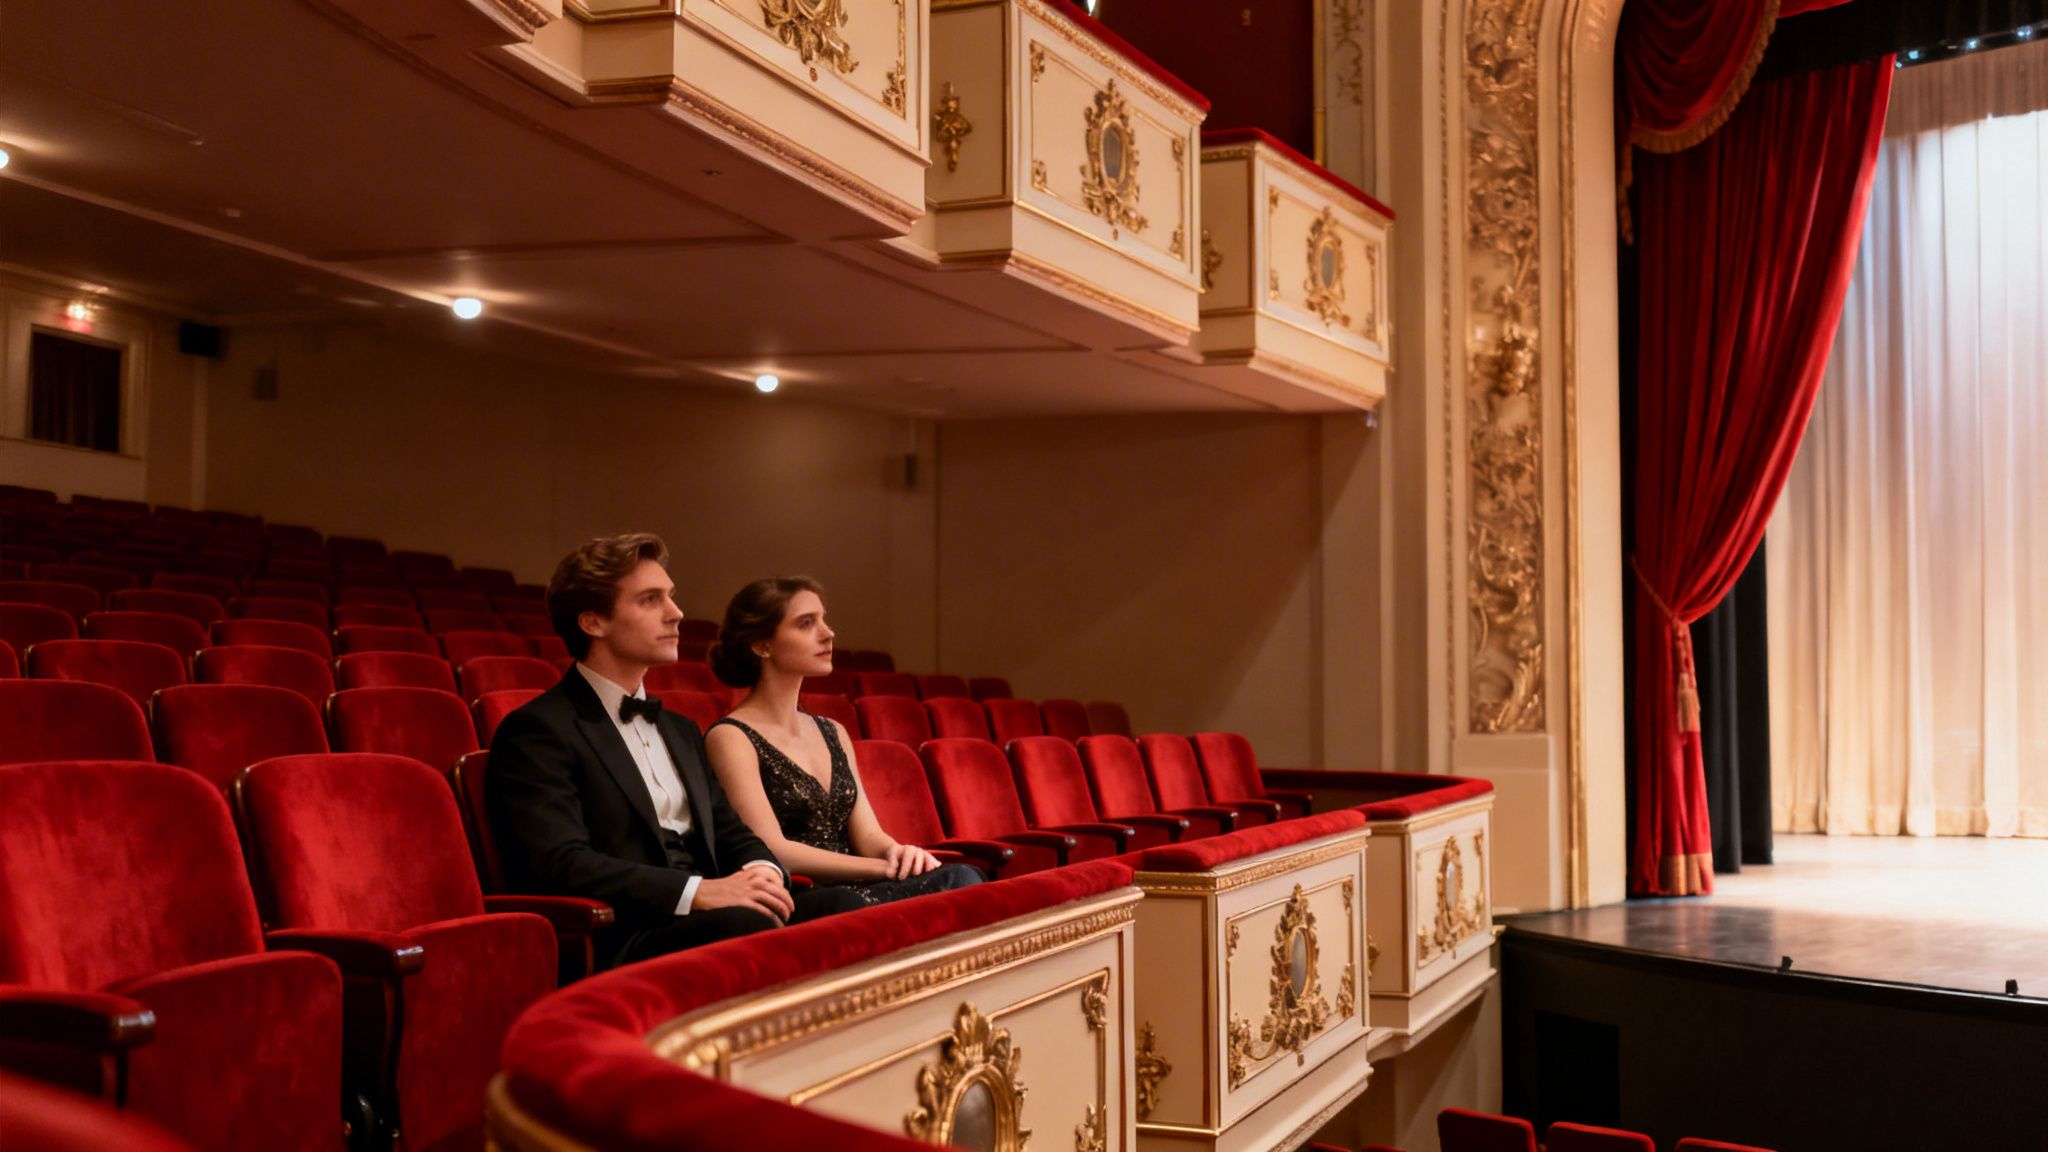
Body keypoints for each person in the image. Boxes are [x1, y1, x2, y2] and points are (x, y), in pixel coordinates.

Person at [486, 534, 866, 969]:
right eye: (651, 600)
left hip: (718, 915)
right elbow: (560, 862)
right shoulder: (537, 729)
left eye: (671, 596)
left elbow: (732, 832)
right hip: (627, 932)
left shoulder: (680, 730)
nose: (676, 612)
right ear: (593, 623)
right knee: (745, 927)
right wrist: (697, 892)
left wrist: (761, 870)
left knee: (841, 909)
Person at [704, 577, 980, 904]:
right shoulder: (730, 736)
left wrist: (897, 853)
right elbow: (772, 849)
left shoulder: (833, 731)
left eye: (823, 619)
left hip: (864, 881)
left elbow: (867, 834)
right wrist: (880, 869)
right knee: (850, 904)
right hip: (804, 893)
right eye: (807, 624)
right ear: (763, 646)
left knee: (965, 875)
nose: (828, 632)